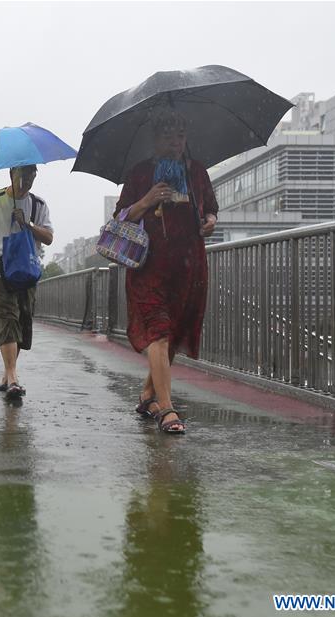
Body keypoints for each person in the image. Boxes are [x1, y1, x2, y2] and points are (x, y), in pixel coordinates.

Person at [114, 110, 218, 434]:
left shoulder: (196, 172)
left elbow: (211, 208)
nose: (176, 143)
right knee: (158, 331)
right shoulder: (140, 174)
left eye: (181, 136)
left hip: (189, 265)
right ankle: (167, 409)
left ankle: (148, 394)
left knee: (171, 334)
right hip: (149, 267)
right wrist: (146, 201)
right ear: (155, 139)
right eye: (168, 136)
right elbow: (121, 217)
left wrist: (211, 221)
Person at [0, 165, 53, 401]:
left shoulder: (38, 205)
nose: (27, 181)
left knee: (22, 323)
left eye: (32, 176)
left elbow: (48, 237)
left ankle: (7, 374)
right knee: (6, 320)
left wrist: (27, 224)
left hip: (27, 271)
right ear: (11, 174)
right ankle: (13, 377)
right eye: (23, 176)